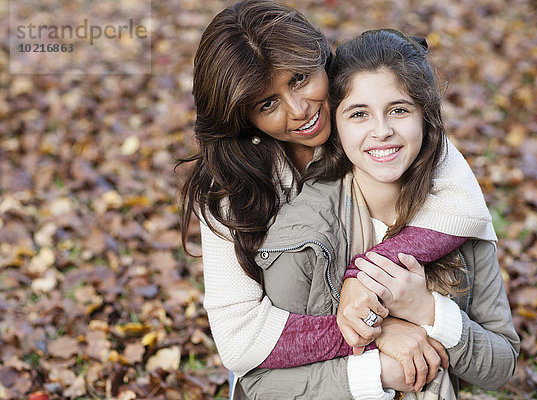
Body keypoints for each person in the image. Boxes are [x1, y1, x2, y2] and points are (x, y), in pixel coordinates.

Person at [179, 0, 500, 397]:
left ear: (320, 56)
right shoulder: (231, 188)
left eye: (299, 79)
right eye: (267, 103)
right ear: (243, 116)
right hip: (290, 376)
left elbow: (462, 206)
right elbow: (241, 340)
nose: (299, 110)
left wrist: (362, 277)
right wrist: (374, 331)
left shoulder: (373, 120)